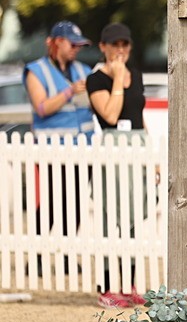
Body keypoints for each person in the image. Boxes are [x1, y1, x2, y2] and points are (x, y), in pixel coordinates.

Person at [23, 22, 95, 276]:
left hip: (82, 149)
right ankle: (37, 255)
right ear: (55, 43)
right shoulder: (35, 71)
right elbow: (41, 107)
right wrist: (69, 92)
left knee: (74, 205)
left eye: (79, 45)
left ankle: (65, 254)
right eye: (72, 44)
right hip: (52, 150)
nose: (76, 49)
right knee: (52, 205)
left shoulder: (83, 70)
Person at [87, 22, 148, 307]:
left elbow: (138, 115)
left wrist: (151, 156)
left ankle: (130, 283)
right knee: (111, 219)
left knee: (136, 220)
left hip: (137, 147)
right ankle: (107, 285)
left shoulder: (135, 75)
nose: (120, 50)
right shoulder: (96, 79)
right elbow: (110, 115)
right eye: (115, 45)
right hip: (112, 148)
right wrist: (116, 78)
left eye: (125, 45)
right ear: (103, 47)